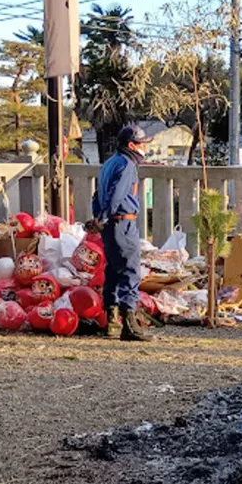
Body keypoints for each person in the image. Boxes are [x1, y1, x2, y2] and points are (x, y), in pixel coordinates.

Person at [91, 125, 152, 342]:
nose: (145, 148)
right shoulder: (127, 165)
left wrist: (98, 216)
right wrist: (106, 215)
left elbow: (97, 193)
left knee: (113, 270)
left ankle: (111, 320)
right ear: (131, 145)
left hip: (109, 226)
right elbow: (117, 194)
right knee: (130, 271)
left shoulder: (109, 163)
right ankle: (130, 325)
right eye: (143, 143)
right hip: (122, 223)